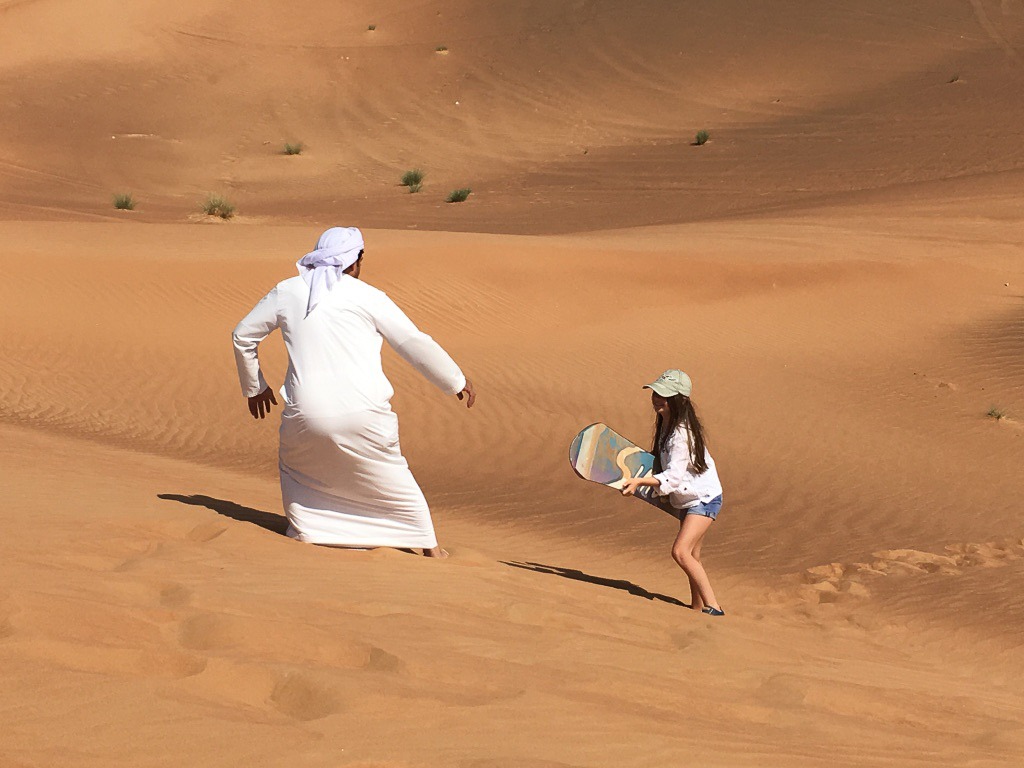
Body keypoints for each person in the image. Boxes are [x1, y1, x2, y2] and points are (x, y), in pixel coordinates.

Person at [231, 226, 475, 558]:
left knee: (301, 472)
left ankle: (312, 530)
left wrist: (255, 386)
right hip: (365, 412)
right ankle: (429, 548)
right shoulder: (371, 296)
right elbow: (412, 342)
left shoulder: (287, 291)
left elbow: (243, 335)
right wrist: (455, 381)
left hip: (306, 415)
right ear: (357, 261)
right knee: (391, 474)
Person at [620, 370, 725, 615]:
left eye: (664, 395)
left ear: (679, 400)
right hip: (689, 500)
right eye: (656, 393)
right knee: (693, 554)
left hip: (704, 499)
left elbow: (673, 477)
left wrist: (638, 482)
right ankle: (697, 607)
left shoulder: (681, 435)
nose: (657, 398)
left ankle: (714, 607)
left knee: (680, 552)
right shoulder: (667, 425)